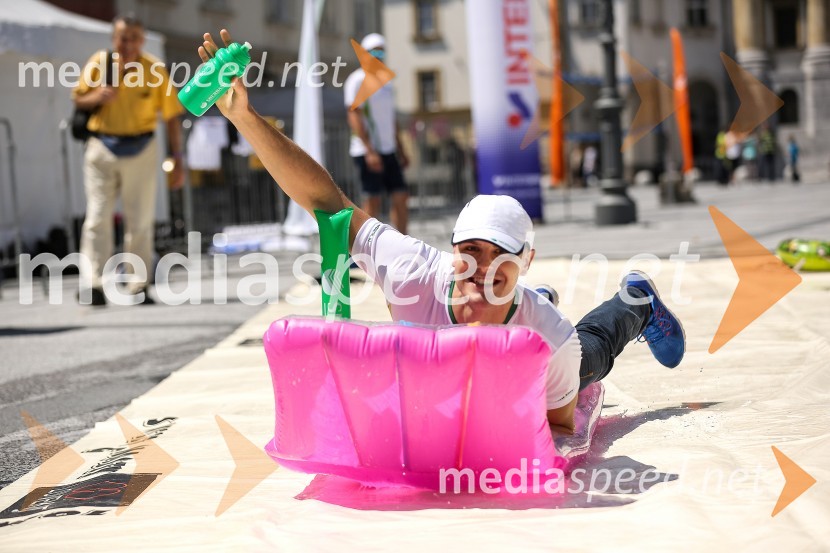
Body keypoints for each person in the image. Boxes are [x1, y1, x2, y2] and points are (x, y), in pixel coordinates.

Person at [197, 30, 685, 436]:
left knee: (590, 353)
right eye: (470, 251)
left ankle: (635, 302)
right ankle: (525, 295)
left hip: (532, 372)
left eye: (501, 258)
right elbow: (328, 204)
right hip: (480, 341)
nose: (480, 268)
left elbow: (559, 435)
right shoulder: (412, 272)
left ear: (527, 260)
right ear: (452, 251)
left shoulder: (550, 339)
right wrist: (245, 117)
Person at [73, 14, 185, 306]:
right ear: (114, 38)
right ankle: (94, 283)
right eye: (123, 37)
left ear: (142, 40)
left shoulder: (155, 69)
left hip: (142, 146)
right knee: (98, 217)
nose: (128, 43)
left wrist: (177, 158)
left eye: (134, 37)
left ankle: (137, 284)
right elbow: (78, 99)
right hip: (102, 147)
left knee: (140, 219)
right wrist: (98, 96)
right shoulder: (100, 62)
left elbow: (171, 117)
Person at [343, 33, 410, 234]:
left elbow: (391, 119)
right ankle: (369, 250)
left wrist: (401, 148)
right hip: (366, 150)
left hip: (388, 149)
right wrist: (370, 150)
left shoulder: (386, 82)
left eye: (381, 51)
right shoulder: (356, 80)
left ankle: (403, 243)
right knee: (372, 199)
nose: (378, 55)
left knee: (401, 195)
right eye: (373, 51)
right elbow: (353, 115)